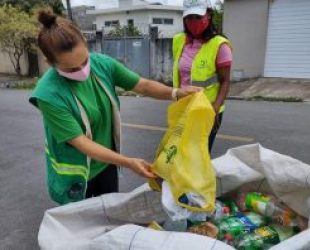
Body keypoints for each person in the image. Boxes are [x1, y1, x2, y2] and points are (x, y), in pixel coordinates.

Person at [29, 9, 200, 205]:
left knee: (109, 215)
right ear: (50, 63)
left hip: (107, 165)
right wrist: (128, 162)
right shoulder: (48, 94)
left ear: (85, 42)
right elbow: (82, 143)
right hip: (75, 175)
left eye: (84, 61)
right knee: (83, 226)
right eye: (71, 69)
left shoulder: (102, 65)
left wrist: (175, 93)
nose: (82, 71)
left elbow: (142, 85)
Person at [173, 0, 232, 152]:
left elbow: (225, 81)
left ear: (209, 16)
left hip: (207, 110)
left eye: (198, 17)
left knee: (199, 155)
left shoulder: (220, 45)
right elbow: (180, 75)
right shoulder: (179, 40)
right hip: (183, 107)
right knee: (182, 152)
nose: (193, 22)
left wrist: (215, 109)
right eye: (189, 17)